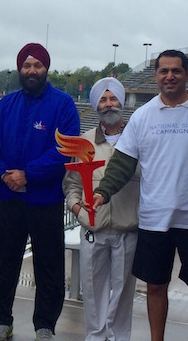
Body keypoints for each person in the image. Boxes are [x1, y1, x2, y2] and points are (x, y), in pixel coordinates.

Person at [91, 50, 188, 341]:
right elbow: (123, 163)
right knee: (155, 288)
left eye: (176, 71)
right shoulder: (142, 117)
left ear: (187, 74)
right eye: (163, 71)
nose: (169, 76)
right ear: (156, 76)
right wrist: (103, 192)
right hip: (153, 220)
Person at [0, 43, 80, 341]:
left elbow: (65, 150)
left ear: (46, 69)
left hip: (45, 201)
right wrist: (5, 174)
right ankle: (2, 321)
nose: (31, 71)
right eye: (26, 66)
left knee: (49, 268)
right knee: (3, 263)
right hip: (9, 200)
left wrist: (29, 174)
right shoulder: (6, 105)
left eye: (37, 65)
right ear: (19, 69)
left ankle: (45, 326)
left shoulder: (63, 104)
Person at [62, 77, 140, 341]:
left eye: (113, 98)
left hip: (127, 229)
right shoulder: (84, 143)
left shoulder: (137, 140)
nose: (109, 105)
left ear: (121, 101)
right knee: (93, 292)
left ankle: (118, 337)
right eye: (103, 100)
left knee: (122, 292)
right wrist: (76, 208)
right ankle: (95, 337)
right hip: (93, 230)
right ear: (96, 106)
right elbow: (71, 184)